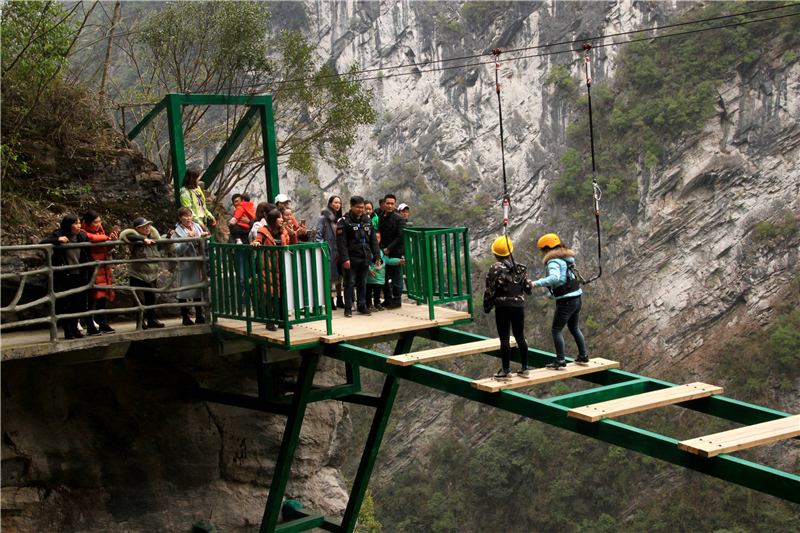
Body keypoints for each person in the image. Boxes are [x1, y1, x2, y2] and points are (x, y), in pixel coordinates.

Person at [531, 233, 588, 370]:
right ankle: (583, 355)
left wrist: (535, 284)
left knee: (556, 330)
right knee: (574, 328)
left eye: (542, 250)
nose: (541, 253)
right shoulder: (566, 259)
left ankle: (560, 360)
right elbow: (566, 279)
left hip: (567, 302)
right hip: (576, 298)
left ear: (546, 248)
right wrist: (554, 295)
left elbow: (555, 278)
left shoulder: (553, 261)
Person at [483, 236, 534, 378]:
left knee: (504, 339)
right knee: (520, 336)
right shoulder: (520, 268)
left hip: (503, 306)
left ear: (495, 253)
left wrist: (487, 307)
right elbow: (528, 289)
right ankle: (525, 368)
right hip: (518, 305)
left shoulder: (494, 269)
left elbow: (490, 291)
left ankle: (506, 370)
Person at [40, 215, 90, 339]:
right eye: (75, 224)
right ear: (68, 225)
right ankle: (68, 330)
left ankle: (75, 329)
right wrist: (57, 240)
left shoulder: (82, 236)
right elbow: (42, 243)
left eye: (79, 223)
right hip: (64, 274)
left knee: (77, 303)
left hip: (79, 274)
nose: (78, 226)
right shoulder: (59, 233)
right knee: (65, 304)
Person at [252, 210, 299, 331]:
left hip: (282, 266)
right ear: (273, 220)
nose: (282, 220)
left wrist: (292, 234)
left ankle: (283, 320)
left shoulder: (284, 231)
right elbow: (257, 240)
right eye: (279, 218)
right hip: (268, 267)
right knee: (269, 294)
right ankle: (269, 321)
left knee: (283, 293)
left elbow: (293, 245)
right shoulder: (264, 231)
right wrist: (256, 242)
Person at [337, 196, 381, 318]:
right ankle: (348, 306)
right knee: (350, 282)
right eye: (358, 207)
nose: (361, 210)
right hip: (351, 257)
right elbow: (341, 243)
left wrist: (377, 256)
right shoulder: (344, 221)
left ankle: (361, 305)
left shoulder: (367, 220)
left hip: (365, 255)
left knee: (363, 282)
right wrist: (345, 258)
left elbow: (373, 239)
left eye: (362, 207)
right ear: (351, 206)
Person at [120, 217, 167, 329]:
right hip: (137, 274)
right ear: (137, 229)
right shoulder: (133, 238)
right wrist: (142, 240)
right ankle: (140, 321)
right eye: (144, 227)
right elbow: (125, 235)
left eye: (148, 226)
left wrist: (169, 236)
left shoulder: (154, 238)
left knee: (151, 297)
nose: (147, 228)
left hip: (152, 274)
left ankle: (152, 319)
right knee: (139, 299)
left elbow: (162, 245)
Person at [80, 210, 118, 335]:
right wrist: (108, 238)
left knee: (102, 298)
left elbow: (105, 247)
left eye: (99, 222)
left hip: (103, 268)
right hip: (92, 269)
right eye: (95, 222)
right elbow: (91, 238)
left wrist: (112, 241)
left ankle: (103, 323)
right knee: (90, 299)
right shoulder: (83, 232)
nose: (98, 224)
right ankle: (90, 325)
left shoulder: (100, 231)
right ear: (88, 223)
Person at [173, 207, 210, 325]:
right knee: (183, 291)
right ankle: (185, 317)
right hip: (186, 264)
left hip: (198, 263)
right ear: (180, 218)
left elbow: (204, 243)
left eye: (190, 215)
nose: (189, 218)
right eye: (186, 216)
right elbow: (177, 250)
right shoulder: (176, 232)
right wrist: (188, 239)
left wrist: (203, 238)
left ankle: (199, 315)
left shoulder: (197, 226)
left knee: (197, 290)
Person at [315, 196, 344, 310]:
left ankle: (340, 298)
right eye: (335, 202)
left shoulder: (341, 219)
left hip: (340, 250)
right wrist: (325, 248)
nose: (337, 205)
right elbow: (318, 236)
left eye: (339, 203)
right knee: (329, 276)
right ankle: (330, 299)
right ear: (330, 203)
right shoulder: (323, 219)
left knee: (339, 275)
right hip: (330, 250)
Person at [378, 194, 406, 309]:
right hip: (383, 252)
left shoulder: (399, 218)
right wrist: (382, 249)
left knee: (396, 278)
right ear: (383, 204)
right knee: (383, 277)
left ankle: (397, 300)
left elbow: (401, 236)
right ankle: (388, 299)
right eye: (388, 203)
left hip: (395, 252)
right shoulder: (380, 217)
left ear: (395, 205)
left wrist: (389, 249)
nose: (390, 206)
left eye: (392, 204)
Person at [366, 231, 404, 311]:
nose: (376, 239)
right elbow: (367, 261)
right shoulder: (368, 250)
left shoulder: (382, 251)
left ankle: (377, 303)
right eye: (375, 237)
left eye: (378, 238)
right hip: (370, 276)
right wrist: (369, 269)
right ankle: (369, 304)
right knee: (368, 291)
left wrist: (398, 261)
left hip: (380, 277)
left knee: (377, 291)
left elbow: (388, 260)